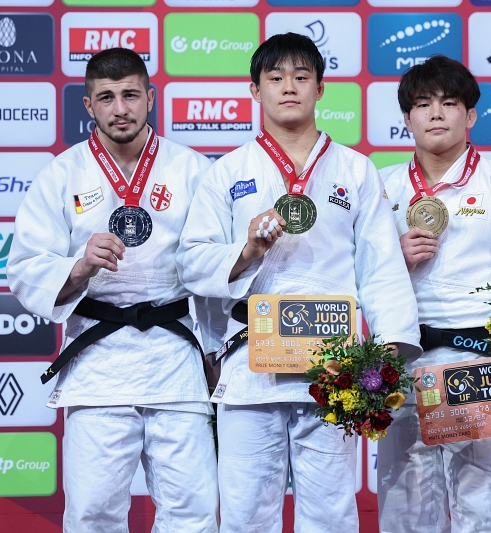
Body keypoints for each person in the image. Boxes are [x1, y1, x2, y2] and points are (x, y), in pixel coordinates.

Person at [176, 32, 421, 533]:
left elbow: (381, 266)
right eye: (276, 78)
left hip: (334, 366)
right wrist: (246, 252)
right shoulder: (227, 172)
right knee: (245, 512)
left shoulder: (354, 169)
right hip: (250, 363)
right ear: (255, 90)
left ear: (320, 89)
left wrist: (392, 349)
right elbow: (192, 263)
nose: (289, 87)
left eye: (302, 77)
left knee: (330, 512)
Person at [6, 48, 219, 532]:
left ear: (150, 97)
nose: (120, 108)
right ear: (88, 106)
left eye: (129, 94)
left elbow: (214, 264)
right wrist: (78, 267)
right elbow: (24, 267)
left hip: (174, 357)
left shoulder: (192, 170)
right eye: (106, 97)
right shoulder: (62, 174)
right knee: (92, 512)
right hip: (98, 362)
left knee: (193, 511)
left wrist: (215, 348)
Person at [377, 55, 491, 533]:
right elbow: (359, 277)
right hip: (403, 360)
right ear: (407, 118)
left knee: (486, 510)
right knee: (405, 510)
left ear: (471, 115)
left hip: (481, 364)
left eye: (449, 102)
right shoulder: (381, 187)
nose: (436, 113)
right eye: (422, 103)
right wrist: (394, 256)